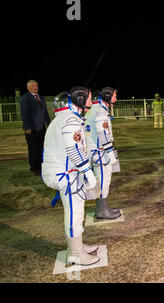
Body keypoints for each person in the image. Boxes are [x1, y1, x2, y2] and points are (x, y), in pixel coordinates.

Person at [41, 86, 100, 266]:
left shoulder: (65, 118)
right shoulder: (70, 120)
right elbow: (74, 149)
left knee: (76, 210)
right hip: (65, 174)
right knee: (75, 212)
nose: (91, 101)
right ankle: (75, 253)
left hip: (64, 172)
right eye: (88, 98)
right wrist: (88, 173)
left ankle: (77, 246)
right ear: (80, 100)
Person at [85, 87, 121, 220]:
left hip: (95, 152)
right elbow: (103, 134)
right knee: (103, 181)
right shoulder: (100, 112)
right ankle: (101, 210)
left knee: (102, 181)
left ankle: (103, 207)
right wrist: (110, 152)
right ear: (107, 96)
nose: (116, 99)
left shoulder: (94, 109)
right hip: (100, 153)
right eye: (114, 96)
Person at [20, 80, 51, 176]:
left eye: (36, 85)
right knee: (33, 148)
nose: (35, 87)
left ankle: (40, 165)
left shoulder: (40, 97)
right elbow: (24, 114)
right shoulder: (26, 98)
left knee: (40, 148)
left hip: (41, 128)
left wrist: (48, 123)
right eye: (33, 86)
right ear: (28, 88)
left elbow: (45, 112)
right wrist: (27, 127)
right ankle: (34, 168)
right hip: (31, 129)